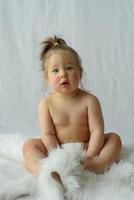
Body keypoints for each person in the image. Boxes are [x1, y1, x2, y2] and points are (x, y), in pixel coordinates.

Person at [23, 36, 122, 177]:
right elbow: (48, 134)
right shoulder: (46, 104)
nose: (63, 74)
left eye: (69, 68)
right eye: (55, 70)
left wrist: (90, 155)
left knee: (114, 139)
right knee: (29, 145)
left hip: (86, 146)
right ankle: (44, 172)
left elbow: (97, 132)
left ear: (80, 73)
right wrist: (56, 155)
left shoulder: (90, 100)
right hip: (57, 147)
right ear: (47, 77)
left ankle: (96, 165)